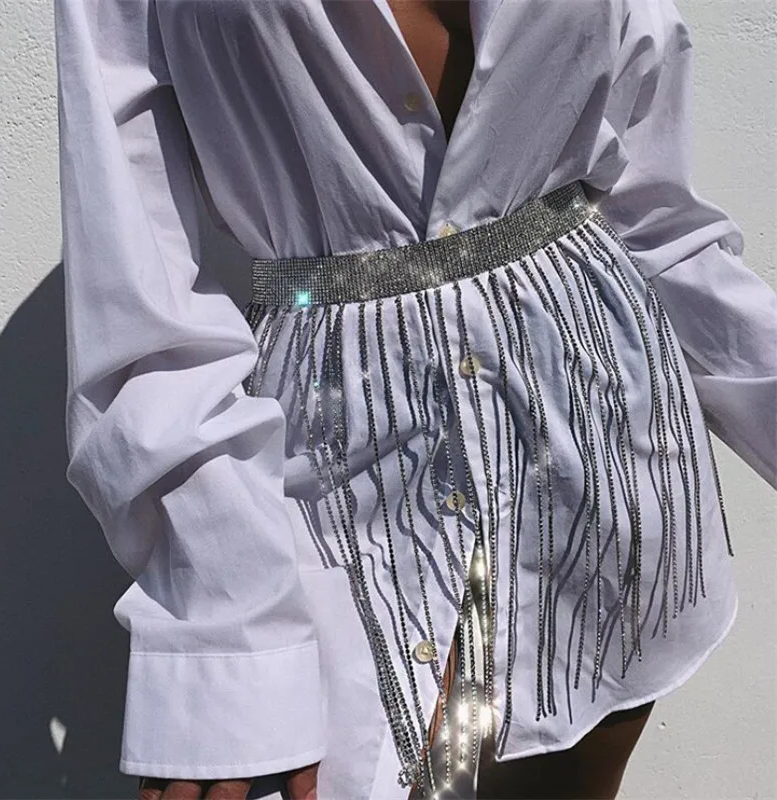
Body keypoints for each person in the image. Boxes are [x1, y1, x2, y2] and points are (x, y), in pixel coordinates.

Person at [54, 0, 777, 798]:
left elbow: (651, 212)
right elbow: (144, 306)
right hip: (336, 476)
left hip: (604, 473)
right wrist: (226, 622)